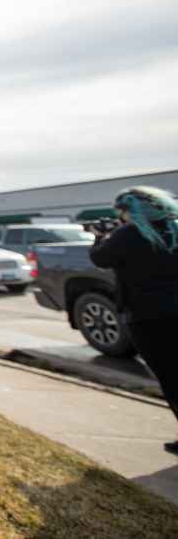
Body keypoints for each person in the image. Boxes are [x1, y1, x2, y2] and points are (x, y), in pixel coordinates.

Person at [90, 187, 178, 454]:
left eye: (121, 212)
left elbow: (100, 259)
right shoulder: (174, 229)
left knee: (171, 376)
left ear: (131, 210)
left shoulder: (129, 234)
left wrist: (99, 237)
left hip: (150, 317)